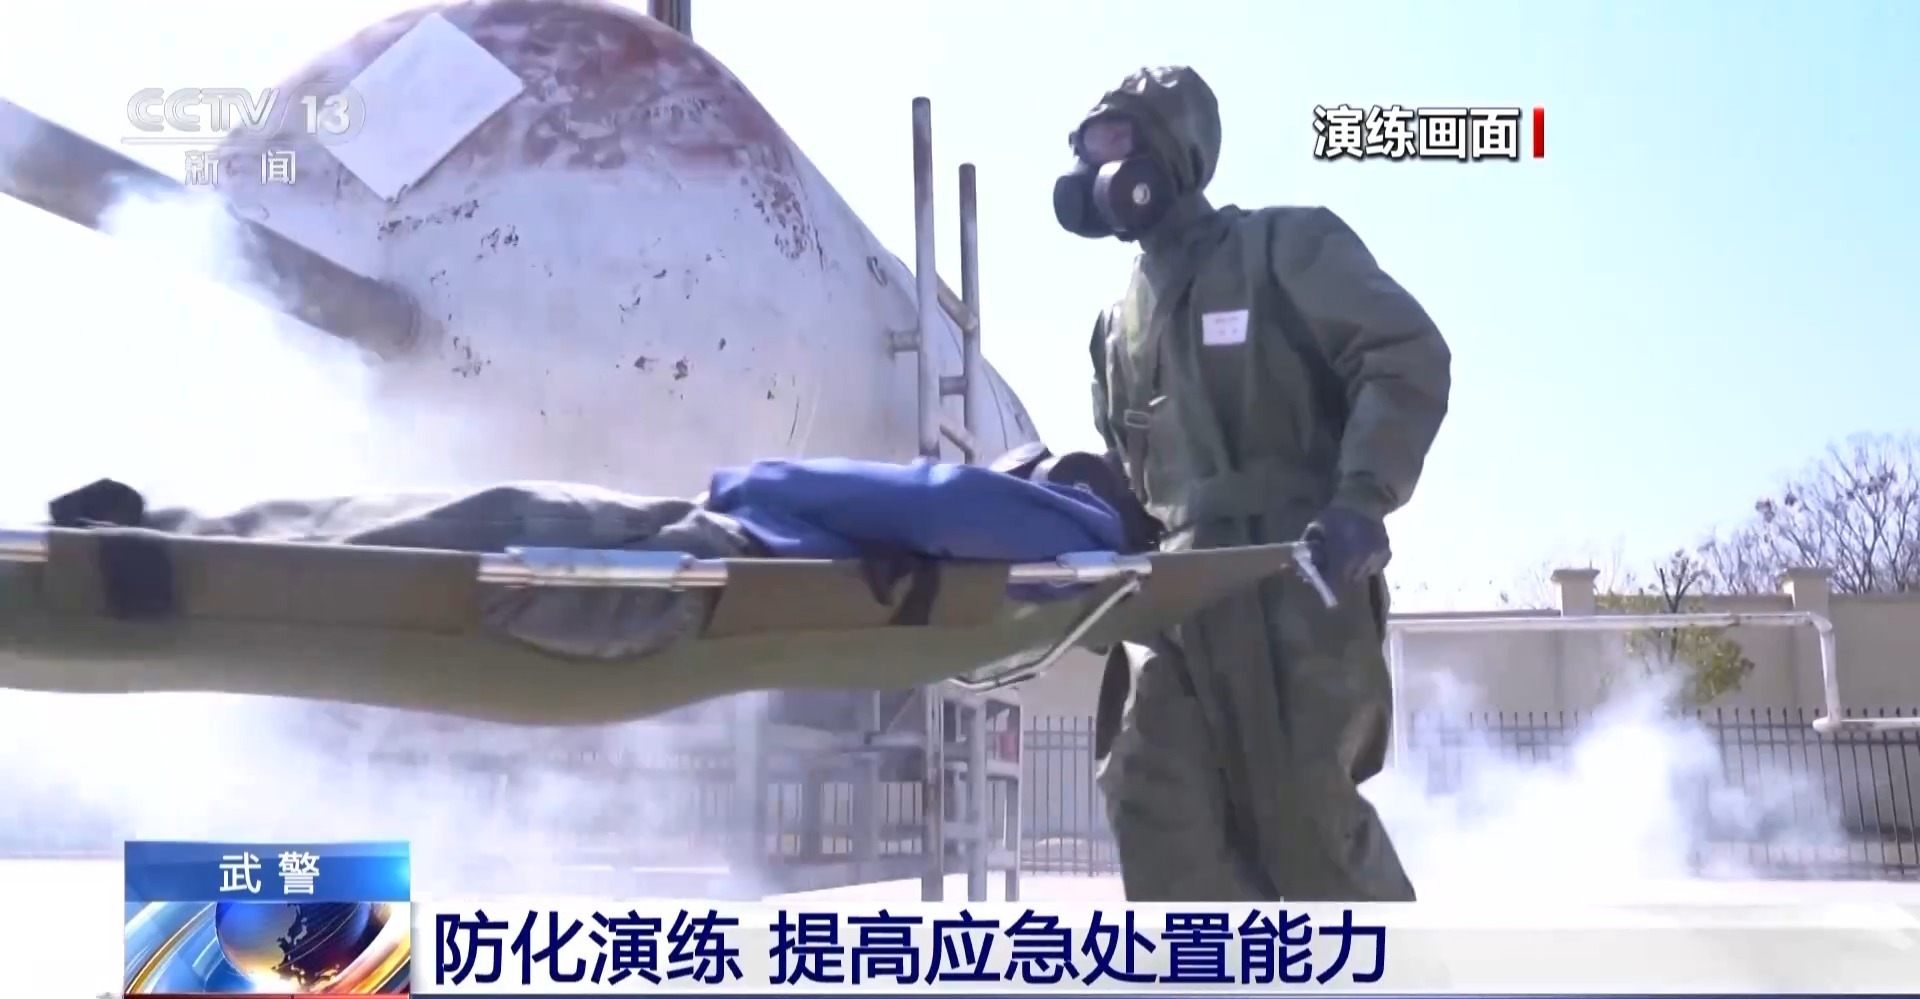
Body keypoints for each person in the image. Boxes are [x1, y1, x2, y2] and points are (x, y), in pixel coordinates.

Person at [1057, 66, 1452, 901]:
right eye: (1089, 153)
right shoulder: (1114, 328)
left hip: (1294, 575)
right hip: (1171, 596)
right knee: (1153, 803)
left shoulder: (1282, 247)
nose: (1100, 170)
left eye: (1119, 143)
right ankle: (1217, 965)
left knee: (1306, 827)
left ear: (1174, 149)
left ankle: (1393, 964)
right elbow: (1131, 475)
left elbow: (1403, 352)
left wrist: (1362, 498)